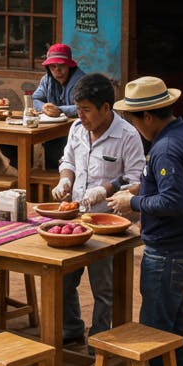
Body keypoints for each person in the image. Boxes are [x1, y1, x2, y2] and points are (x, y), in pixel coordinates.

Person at [106, 77, 183, 366]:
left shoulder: (164, 148)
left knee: (155, 327)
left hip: (171, 250)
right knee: (177, 321)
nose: (135, 127)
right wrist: (141, 190)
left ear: (148, 117)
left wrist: (132, 204)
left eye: (134, 120)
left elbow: (173, 201)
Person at [50, 73, 144, 346]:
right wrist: (65, 180)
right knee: (65, 279)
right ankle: (71, 329)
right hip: (76, 215)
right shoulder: (77, 129)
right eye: (78, 109)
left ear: (106, 108)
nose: (82, 116)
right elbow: (67, 160)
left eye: (87, 110)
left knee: (103, 287)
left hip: (108, 222)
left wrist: (106, 189)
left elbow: (136, 178)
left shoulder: (127, 135)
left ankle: (100, 339)